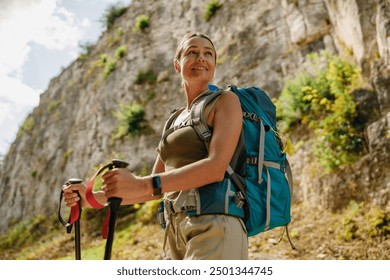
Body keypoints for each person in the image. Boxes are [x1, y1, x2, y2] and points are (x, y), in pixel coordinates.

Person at [62, 32, 248, 260]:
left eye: (208, 54)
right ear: (177, 65)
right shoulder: (173, 120)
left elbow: (216, 167)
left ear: (214, 65)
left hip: (216, 223)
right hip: (174, 231)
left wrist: (141, 184)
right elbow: (152, 190)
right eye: (192, 52)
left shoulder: (225, 101)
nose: (201, 57)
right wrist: (90, 199)